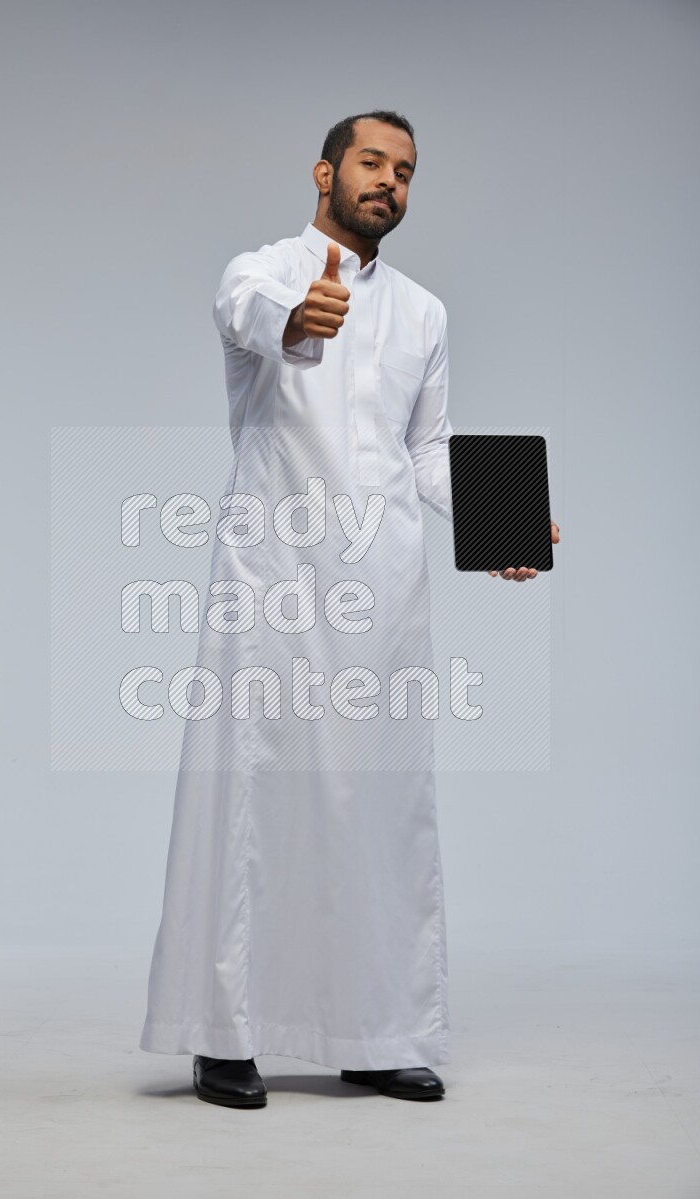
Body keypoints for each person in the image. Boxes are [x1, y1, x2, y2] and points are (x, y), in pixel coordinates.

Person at [139, 109, 560, 1109]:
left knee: (377, 808)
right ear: (325, 171)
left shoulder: (423, 312)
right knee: (251, 798)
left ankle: (376, 1031)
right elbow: (244, 317)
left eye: (405, 171)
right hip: (274, 583)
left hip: (383, 597)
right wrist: (294, 321)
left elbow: (424, 446)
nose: (388, 183)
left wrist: (506, 520)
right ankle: (223, 1034)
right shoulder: (265, 270)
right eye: (372, 162)